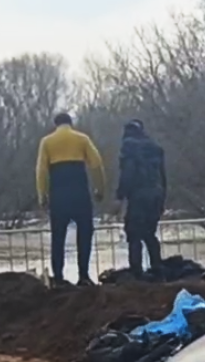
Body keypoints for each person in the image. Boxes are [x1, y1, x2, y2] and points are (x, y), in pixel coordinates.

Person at [35, 113, 106, 286]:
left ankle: (58, 277)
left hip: (58, 195)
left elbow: (41, 171)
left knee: (58, 238)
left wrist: (42, 195)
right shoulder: (82, 139)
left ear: (55, 124)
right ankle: (83, 275)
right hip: (80, 193)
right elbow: (97, 164)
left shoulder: (47, 142)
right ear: (71, 123)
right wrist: (100, 189)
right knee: (85, 235)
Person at [116, 119, 167, 279]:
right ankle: (157, 269)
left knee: (134, 235)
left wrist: (120, 194)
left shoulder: (129, 147)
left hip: (138, 195)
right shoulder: (155, 148)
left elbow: (128, 173)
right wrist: (163, 196)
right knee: (150, 234)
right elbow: (163, 176)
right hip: (156, 194)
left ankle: (136, 272)